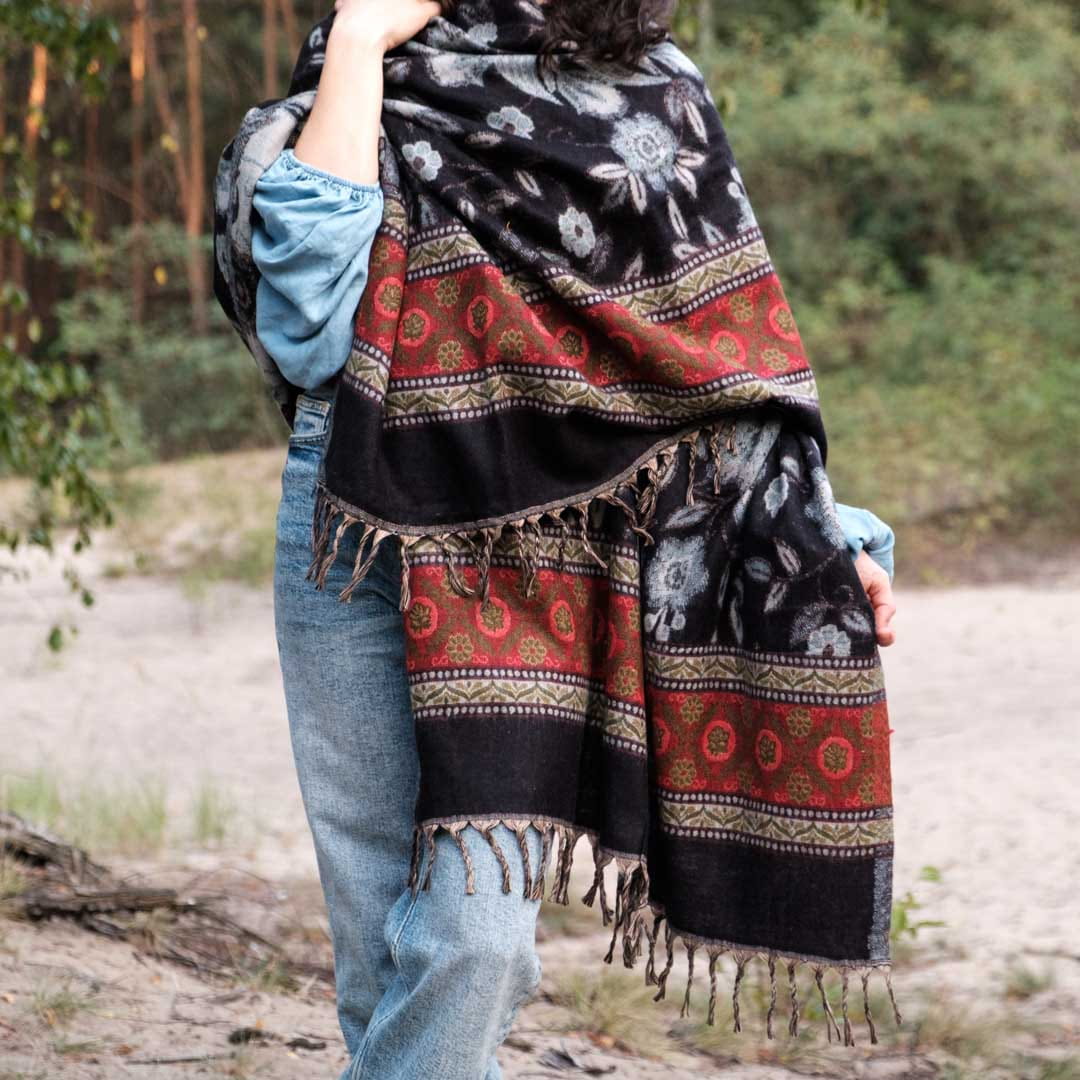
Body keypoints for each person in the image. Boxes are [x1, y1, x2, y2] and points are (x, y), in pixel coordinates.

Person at [223, 2, 899, 1076]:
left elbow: (709, 364)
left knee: (475, 946)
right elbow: (310, 327)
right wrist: (358, 43)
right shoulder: (358, 71)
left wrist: (823, 539)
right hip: (355, 523)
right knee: (381, 962)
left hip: (540, 551)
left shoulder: (654, 92)